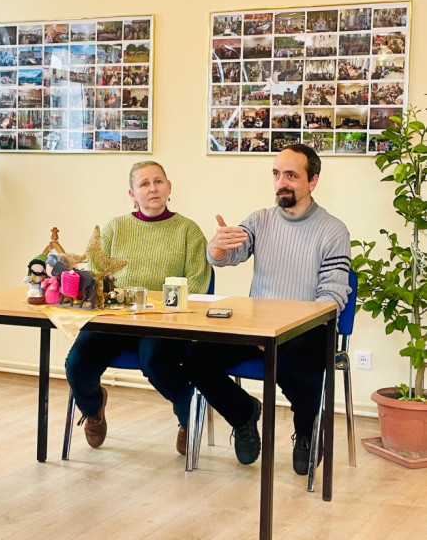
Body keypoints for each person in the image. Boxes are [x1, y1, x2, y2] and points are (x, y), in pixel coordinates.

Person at [186, 144, 351, 474]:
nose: (281, 183)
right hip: (258, 328)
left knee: (293, 366)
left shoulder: (333, 230)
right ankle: (243, 414)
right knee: (193, 357)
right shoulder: (259, 220)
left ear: (313, 181)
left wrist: (282, 329)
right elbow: (230, 254)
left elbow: (332, 296)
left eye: (291, 175)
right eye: (276, 174)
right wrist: (216, 249)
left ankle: (307, 432)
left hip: (308, 329)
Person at [65, 161, 211, 456]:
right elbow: (95, 275)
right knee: (77, 363)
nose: (152, 188)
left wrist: (161, 309)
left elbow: (198, 285)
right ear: (132, 194)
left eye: (158, 181)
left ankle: (187, 414)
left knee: (154, 360)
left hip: (164, 323)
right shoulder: (115, 228)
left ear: (169, 187)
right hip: (116, 319)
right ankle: (93, 409)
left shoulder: (189, 231)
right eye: (144, 184)